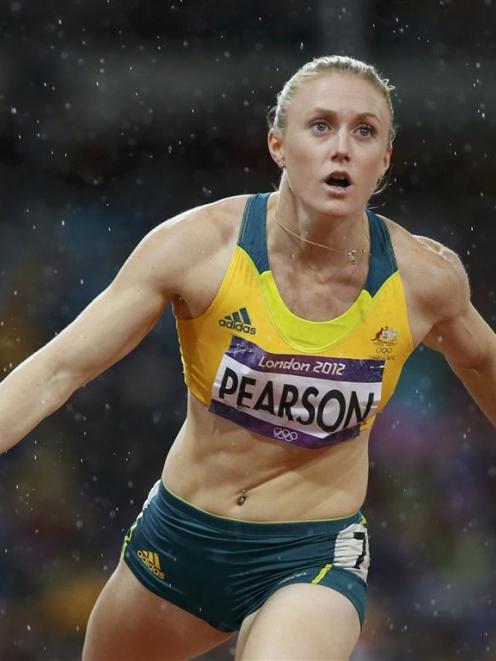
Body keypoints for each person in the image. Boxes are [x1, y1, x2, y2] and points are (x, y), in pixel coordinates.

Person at [1, 54, 495, 661]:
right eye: (320, 126)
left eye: (364, 131)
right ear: (278, 144)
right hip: (181, 542)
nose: (342, 148)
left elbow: (482, 363)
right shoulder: (197, 248)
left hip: (312, 554)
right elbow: (56, 370)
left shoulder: (424, 281)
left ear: (384, 160)